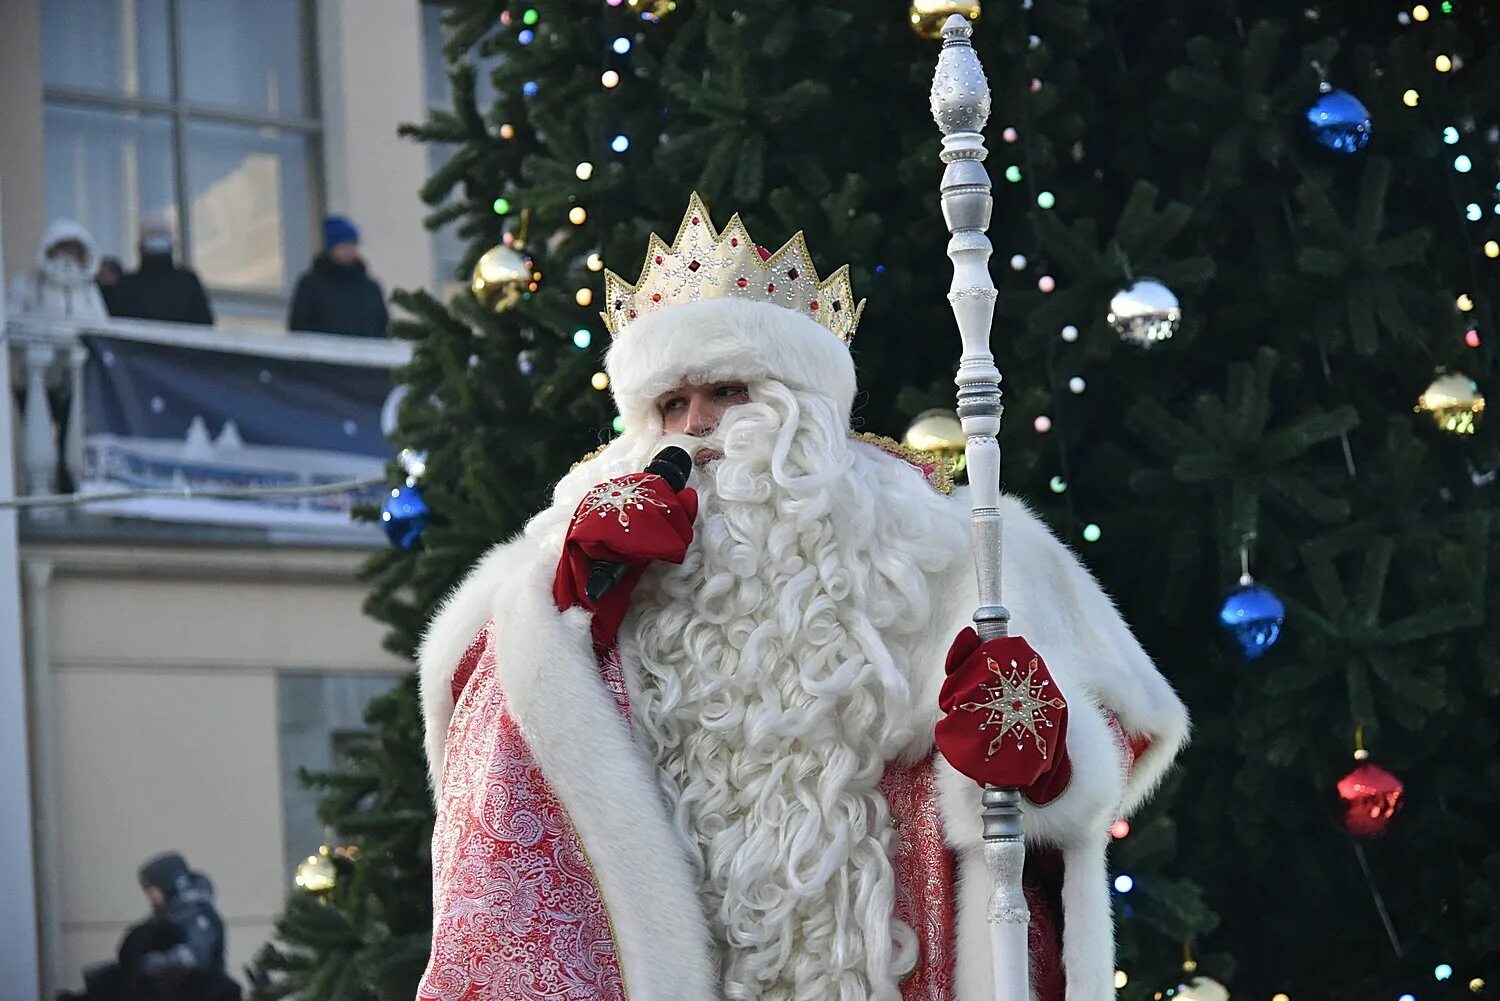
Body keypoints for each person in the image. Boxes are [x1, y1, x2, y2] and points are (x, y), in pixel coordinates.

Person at [415, 195, 1190, 1001]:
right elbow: (481, 761)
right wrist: (572, 604)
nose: (698, 427)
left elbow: (1127, 716)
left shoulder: (949, 543)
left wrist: (1045, 757)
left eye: (728, 391)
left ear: (804, 405)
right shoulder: (579, 549)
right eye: (669, 406)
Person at [59, 852, 240, 1001]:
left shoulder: (198, 916)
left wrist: (149, 965)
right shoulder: (166, 917)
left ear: (170, 884)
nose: (152, 896)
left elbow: (193, 958)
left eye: (154, 889)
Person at [287, 215, 389, 337]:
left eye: (352, 245)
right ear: (330, 248)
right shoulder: (311, 285)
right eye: (343, 245)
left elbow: (381, 327)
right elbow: (300, 327)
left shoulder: (370, 288)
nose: (349, 251)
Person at [107, 216, 214, 325]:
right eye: (152, 237)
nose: (157, 243)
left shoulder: (188, 283)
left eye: (160, 237)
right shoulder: (187, 282)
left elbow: (204, 324)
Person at [8, 219, 109, 321]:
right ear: (50, 251)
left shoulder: (89, 290)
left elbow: (101, 324)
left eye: (74, 253)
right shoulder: (27, 285)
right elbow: (11, 322)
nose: (69, 258)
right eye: (64, 250)